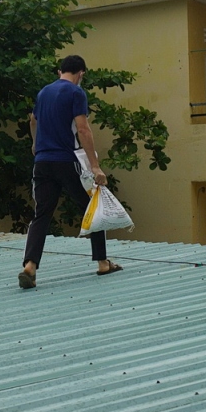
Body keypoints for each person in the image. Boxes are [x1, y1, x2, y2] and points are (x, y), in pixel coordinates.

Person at [18, 55, 123, 289]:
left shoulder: (44, 92)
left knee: (41, 214)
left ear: (59, 71)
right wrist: (95, 166)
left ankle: (30, 266)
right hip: (67, 160)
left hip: (42, 162)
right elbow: (83, 130)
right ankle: (103, 262)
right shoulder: (76, 93)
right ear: (81, 73)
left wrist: (35, 145)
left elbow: (33, 120)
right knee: (92, 208)